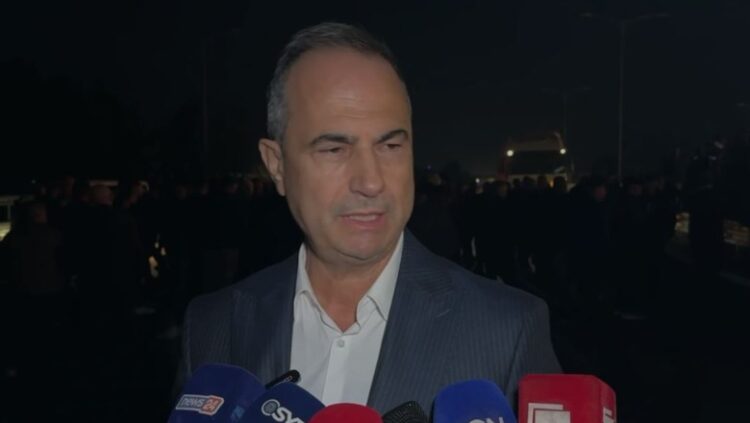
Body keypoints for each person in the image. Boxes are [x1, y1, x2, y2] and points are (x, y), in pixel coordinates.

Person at [177, 22, 560, 413]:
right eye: (334, 149)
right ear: (276, 165)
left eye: (390, 146)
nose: (371, 182)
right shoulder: (212, 327)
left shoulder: (509, 331)